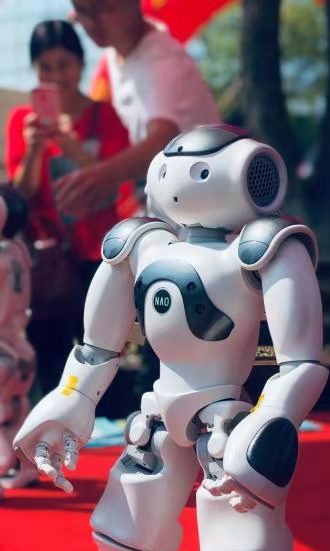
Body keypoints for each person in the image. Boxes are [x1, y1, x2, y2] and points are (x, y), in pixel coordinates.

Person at [15, 124, 330, 551]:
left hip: (225, 419)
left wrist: (269, 424)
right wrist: (72, 396)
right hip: (157, 412)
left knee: (239, 545)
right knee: (124, 527)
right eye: (170, 164)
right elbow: (98, 341)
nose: (177, 175)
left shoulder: (264, 248)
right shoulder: (142, 244)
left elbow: (300, 363)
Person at [5, 19, 131, 391]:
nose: (56, 76)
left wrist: (73, 147)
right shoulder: (22, 122)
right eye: (46, 67)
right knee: (52, 361)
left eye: (64, 65)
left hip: (101, 254)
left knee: (105, 355)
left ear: (80, 64)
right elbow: (20, 198)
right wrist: (33, 151)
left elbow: (117, 184)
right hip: (48, 260)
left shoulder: (105, 117)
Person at [55, 0, 221, 219]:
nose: (92, 22)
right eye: (83, 11)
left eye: (104, 8)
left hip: (207, 203)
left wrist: (103, 175)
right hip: (179, 201)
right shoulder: (117, 50)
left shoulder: (161, 59)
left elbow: (163, 137)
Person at [0, 185, 38, 495]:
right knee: (17, 409)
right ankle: (26, 466)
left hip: (4, 344)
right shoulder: (19, 250)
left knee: (7, 411)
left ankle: (7, 463)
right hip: (20, 342)